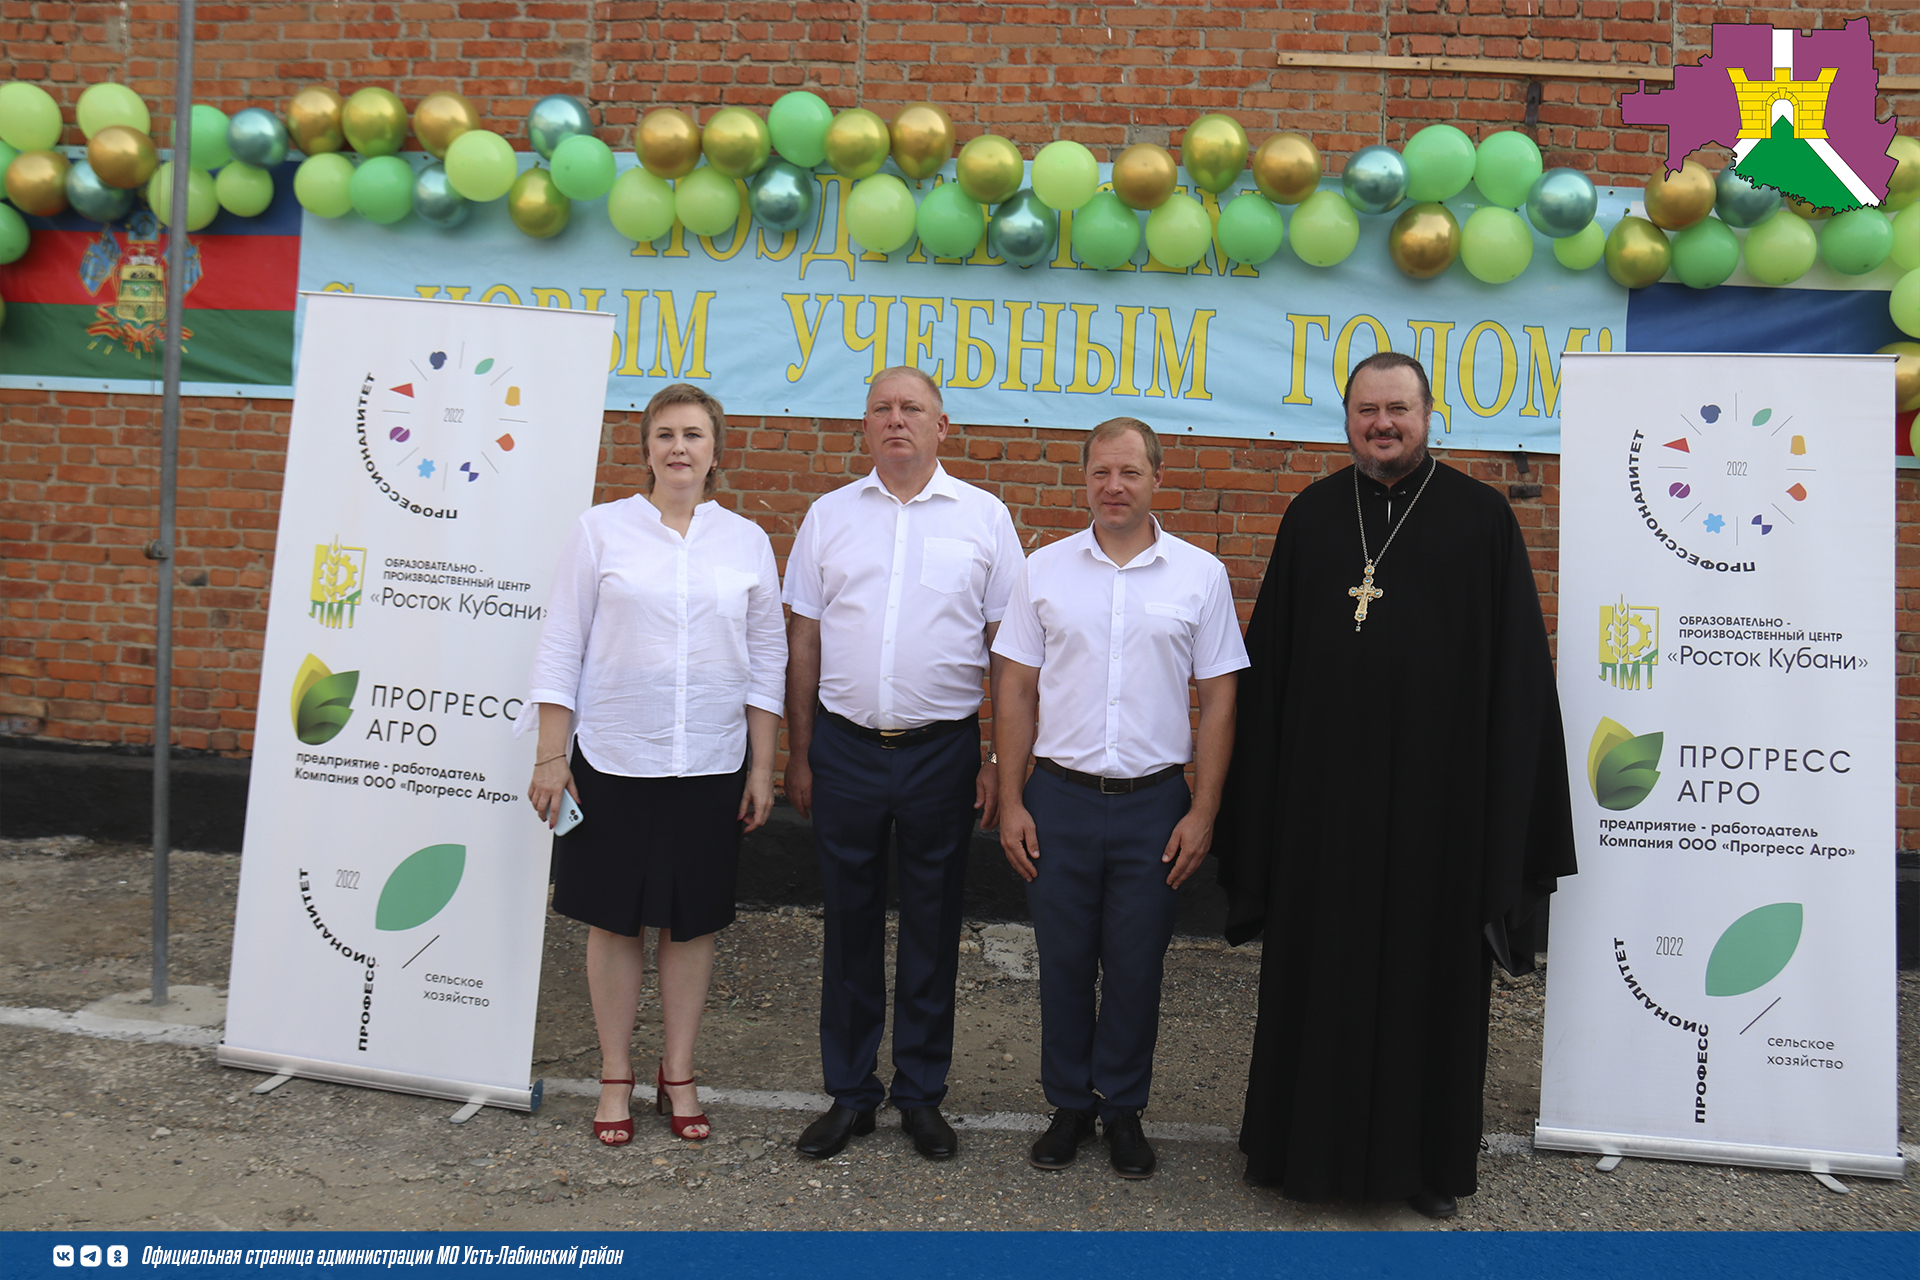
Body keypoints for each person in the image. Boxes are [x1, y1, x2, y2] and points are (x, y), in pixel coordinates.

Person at [1213, 350, 1576, 1218]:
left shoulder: (1481, 520)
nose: (1383, 424)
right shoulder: (1310, 516)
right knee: (1317, 979)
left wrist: (1507, 821)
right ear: (1346, 420)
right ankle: (1294, 1153)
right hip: (1323, 817)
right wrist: (1256, 819)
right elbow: (1271, 678)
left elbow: (1518, 678)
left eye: (1399, 410)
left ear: (1427, 416)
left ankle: (1426, 1167)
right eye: (1368, 410)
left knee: (1431, 991)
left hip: (1436, 817)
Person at [521, 383, 785, 1147]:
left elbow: (767, 659)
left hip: (709, 763)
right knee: (613, 920)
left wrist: (761, 767)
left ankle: (677, 1071)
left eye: (694, 435)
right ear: (644, 450)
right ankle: (613, 1073)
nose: (679, 447)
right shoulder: (601, 532)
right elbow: (561, 644)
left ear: (716, 451)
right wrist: (551, 754)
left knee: (690, 924)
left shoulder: (746, 542)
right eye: (665, 433)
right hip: (613, 759)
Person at [992, 417, 1248, 1179]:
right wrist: (1010, 799)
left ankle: (1125, 1107)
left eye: (1129, 472)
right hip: (1060, 800)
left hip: (1154, 806)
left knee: (1138, 964)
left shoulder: (1200, 576)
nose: (1113, 486)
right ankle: (1070, 1104)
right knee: (1064, 959)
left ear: (1156, 480)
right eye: (1101, 471)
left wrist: (1202, 811)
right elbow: (1014, 688)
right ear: (1085, 478)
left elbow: (1221, 700)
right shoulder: (1043, 570)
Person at [783, 366, 1024, 1162]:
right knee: (848, 925)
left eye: (911, 408)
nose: (896, 421)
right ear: (864, 424)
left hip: (943, 754)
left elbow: (1010, 656)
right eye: (881, 408)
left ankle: (921, 1094)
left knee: (932, 923)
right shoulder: (827, 517)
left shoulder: (985, 520)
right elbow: (804, 641)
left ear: (941, 425)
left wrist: (996, 758)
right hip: (845, 747)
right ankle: (851, 1094)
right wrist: (801, 750)